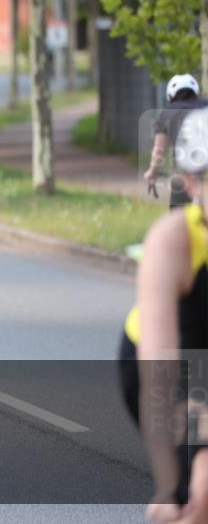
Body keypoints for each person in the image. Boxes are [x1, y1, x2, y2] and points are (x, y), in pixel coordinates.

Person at [120, 106, 208, 523]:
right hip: (173, 364)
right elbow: (161, 375)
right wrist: (171, 485)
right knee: (199, 490)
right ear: (191, 184)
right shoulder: (172, 243)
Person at [145, 73, 207, 208]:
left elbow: (159, 151)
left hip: (185, 175)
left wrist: (152, 171)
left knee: (181, 214)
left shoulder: (168, 113)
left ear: (170, 95)